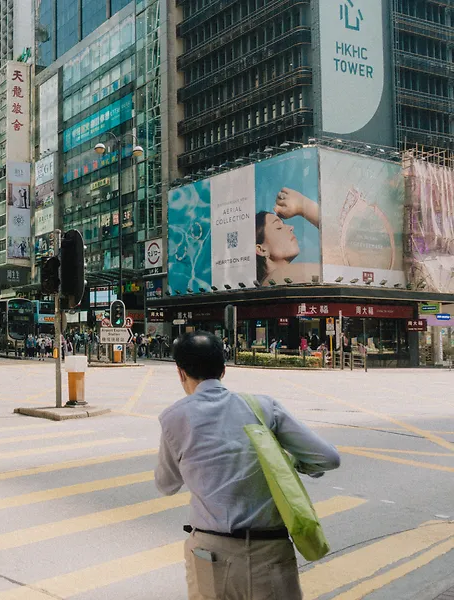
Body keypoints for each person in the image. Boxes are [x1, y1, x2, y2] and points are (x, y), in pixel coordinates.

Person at [155, 332, 340, 599]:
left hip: (211, 556)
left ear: (180, 373)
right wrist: (289, 461)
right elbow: (328, 458)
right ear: (223, 370)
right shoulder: (264, 407)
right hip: (271, 554)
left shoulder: (174, 418)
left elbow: (165, 485)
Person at [255, 189, 319, 285]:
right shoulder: (279, 276)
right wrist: (303, 205)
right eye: (278, 227)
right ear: (261, 249)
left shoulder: (277, 283)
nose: (291, 227)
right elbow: (345, 266)